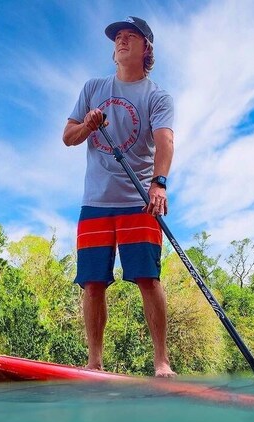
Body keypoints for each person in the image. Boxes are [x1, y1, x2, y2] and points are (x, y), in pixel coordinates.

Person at [62, 16, 176, 378]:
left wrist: (158, 184)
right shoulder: (93, 87)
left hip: (139, 198)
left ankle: (161, 362)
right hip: (95, 201)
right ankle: (94, 362)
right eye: (118, 37)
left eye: (130, 36)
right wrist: (88, 125)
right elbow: (68, 137)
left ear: (147, 48)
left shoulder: (157, 96)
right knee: (93, 283)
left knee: (147, 278)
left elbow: (165, 142)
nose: (121, 41)